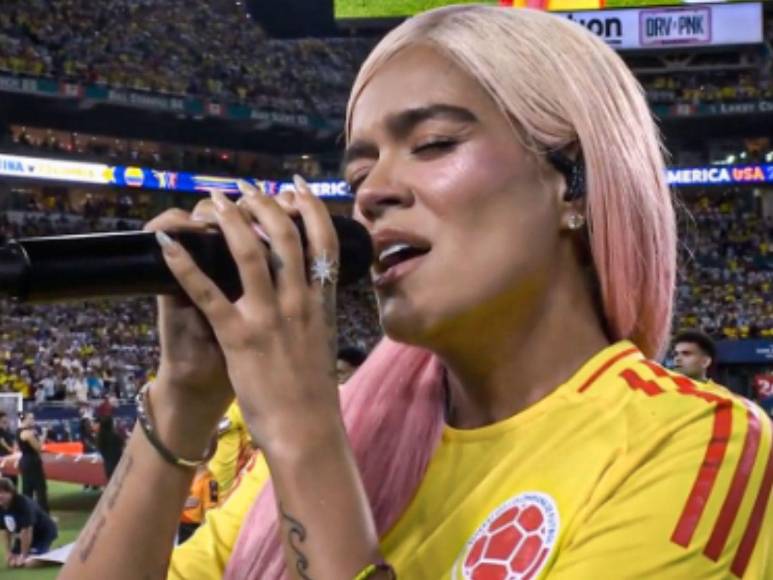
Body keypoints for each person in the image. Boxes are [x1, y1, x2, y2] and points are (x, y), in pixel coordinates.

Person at [60, 6, 772, 580]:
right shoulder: (353, 429)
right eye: (358, 169)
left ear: (573, 184)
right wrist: (183, 402)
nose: (372, 193)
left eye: (431, 144)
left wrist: (302, 432)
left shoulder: (697, 446)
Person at [0, 477, 57, 568]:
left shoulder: (23, 503)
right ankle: (38, 553)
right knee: (12, 563)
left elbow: (26, 531)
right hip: (23, 535)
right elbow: (5, 531)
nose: (0, 496)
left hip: (42, 533)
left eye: (3, 492)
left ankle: (54, 554)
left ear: (11, 492)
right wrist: (8, 552)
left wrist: (23, 555)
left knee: (30, 563)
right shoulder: (1, 506)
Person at [17, 413, 49, 513]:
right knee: (40, 489)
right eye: (31, 418)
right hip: (32, 462)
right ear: (25, 419)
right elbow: (38, 448)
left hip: (25, 461)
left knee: (27, 489)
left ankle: (28, 514)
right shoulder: (27, 433)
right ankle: (44, 515)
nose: (33, 420)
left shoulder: (19, 431)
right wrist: (44, 434)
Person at [96, 415, 125, 482]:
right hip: (117, 465)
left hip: (107, 466)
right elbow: (122, 446)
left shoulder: (100, 438)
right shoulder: (115, 436)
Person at [0, 413, 17, 487]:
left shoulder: (7, 429)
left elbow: (13, 440)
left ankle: (13, 494)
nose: (6, 419)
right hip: (3, 457)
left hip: (11, 456)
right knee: (6, 477)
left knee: (13, 477)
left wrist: (15, 448)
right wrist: (10, 449)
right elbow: (2, 441)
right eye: (4, 418)